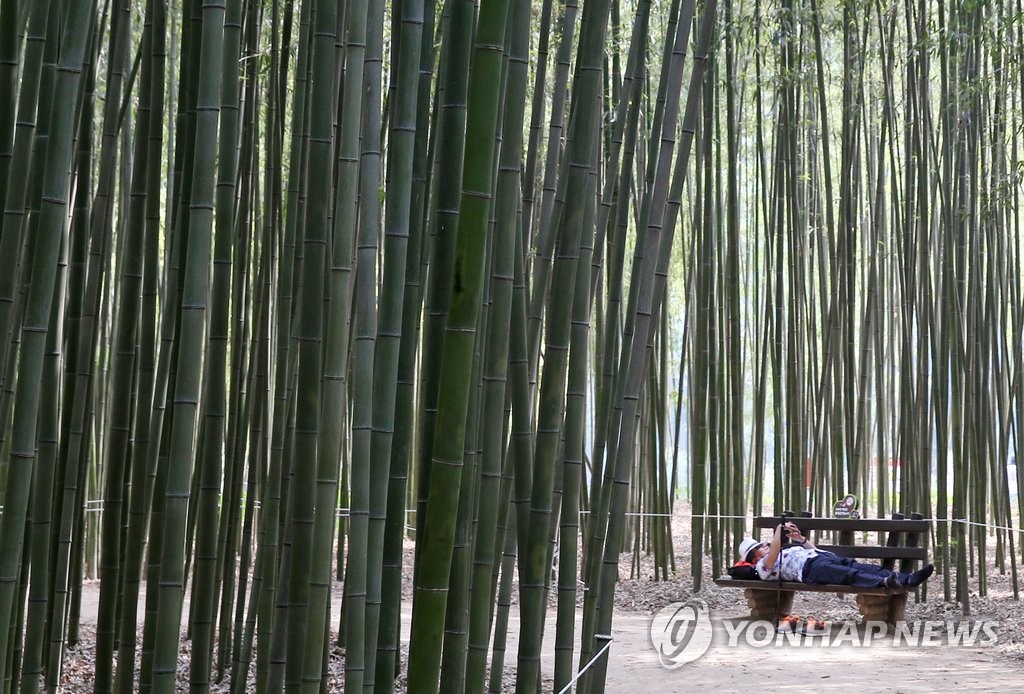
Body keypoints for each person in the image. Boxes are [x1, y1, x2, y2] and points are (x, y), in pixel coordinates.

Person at [737, 521, 934, 589]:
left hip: (820, 558)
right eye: (761, 546)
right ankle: (883, 583)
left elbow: (812, 550)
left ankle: (907, 579)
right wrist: (779, 530)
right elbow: (771, 557)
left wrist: (801, 540)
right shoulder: (762, 567)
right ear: (754, 557)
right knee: (848, 575)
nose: (766, 545)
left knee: (863, 567)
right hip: (810, 570)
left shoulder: (782, 551)